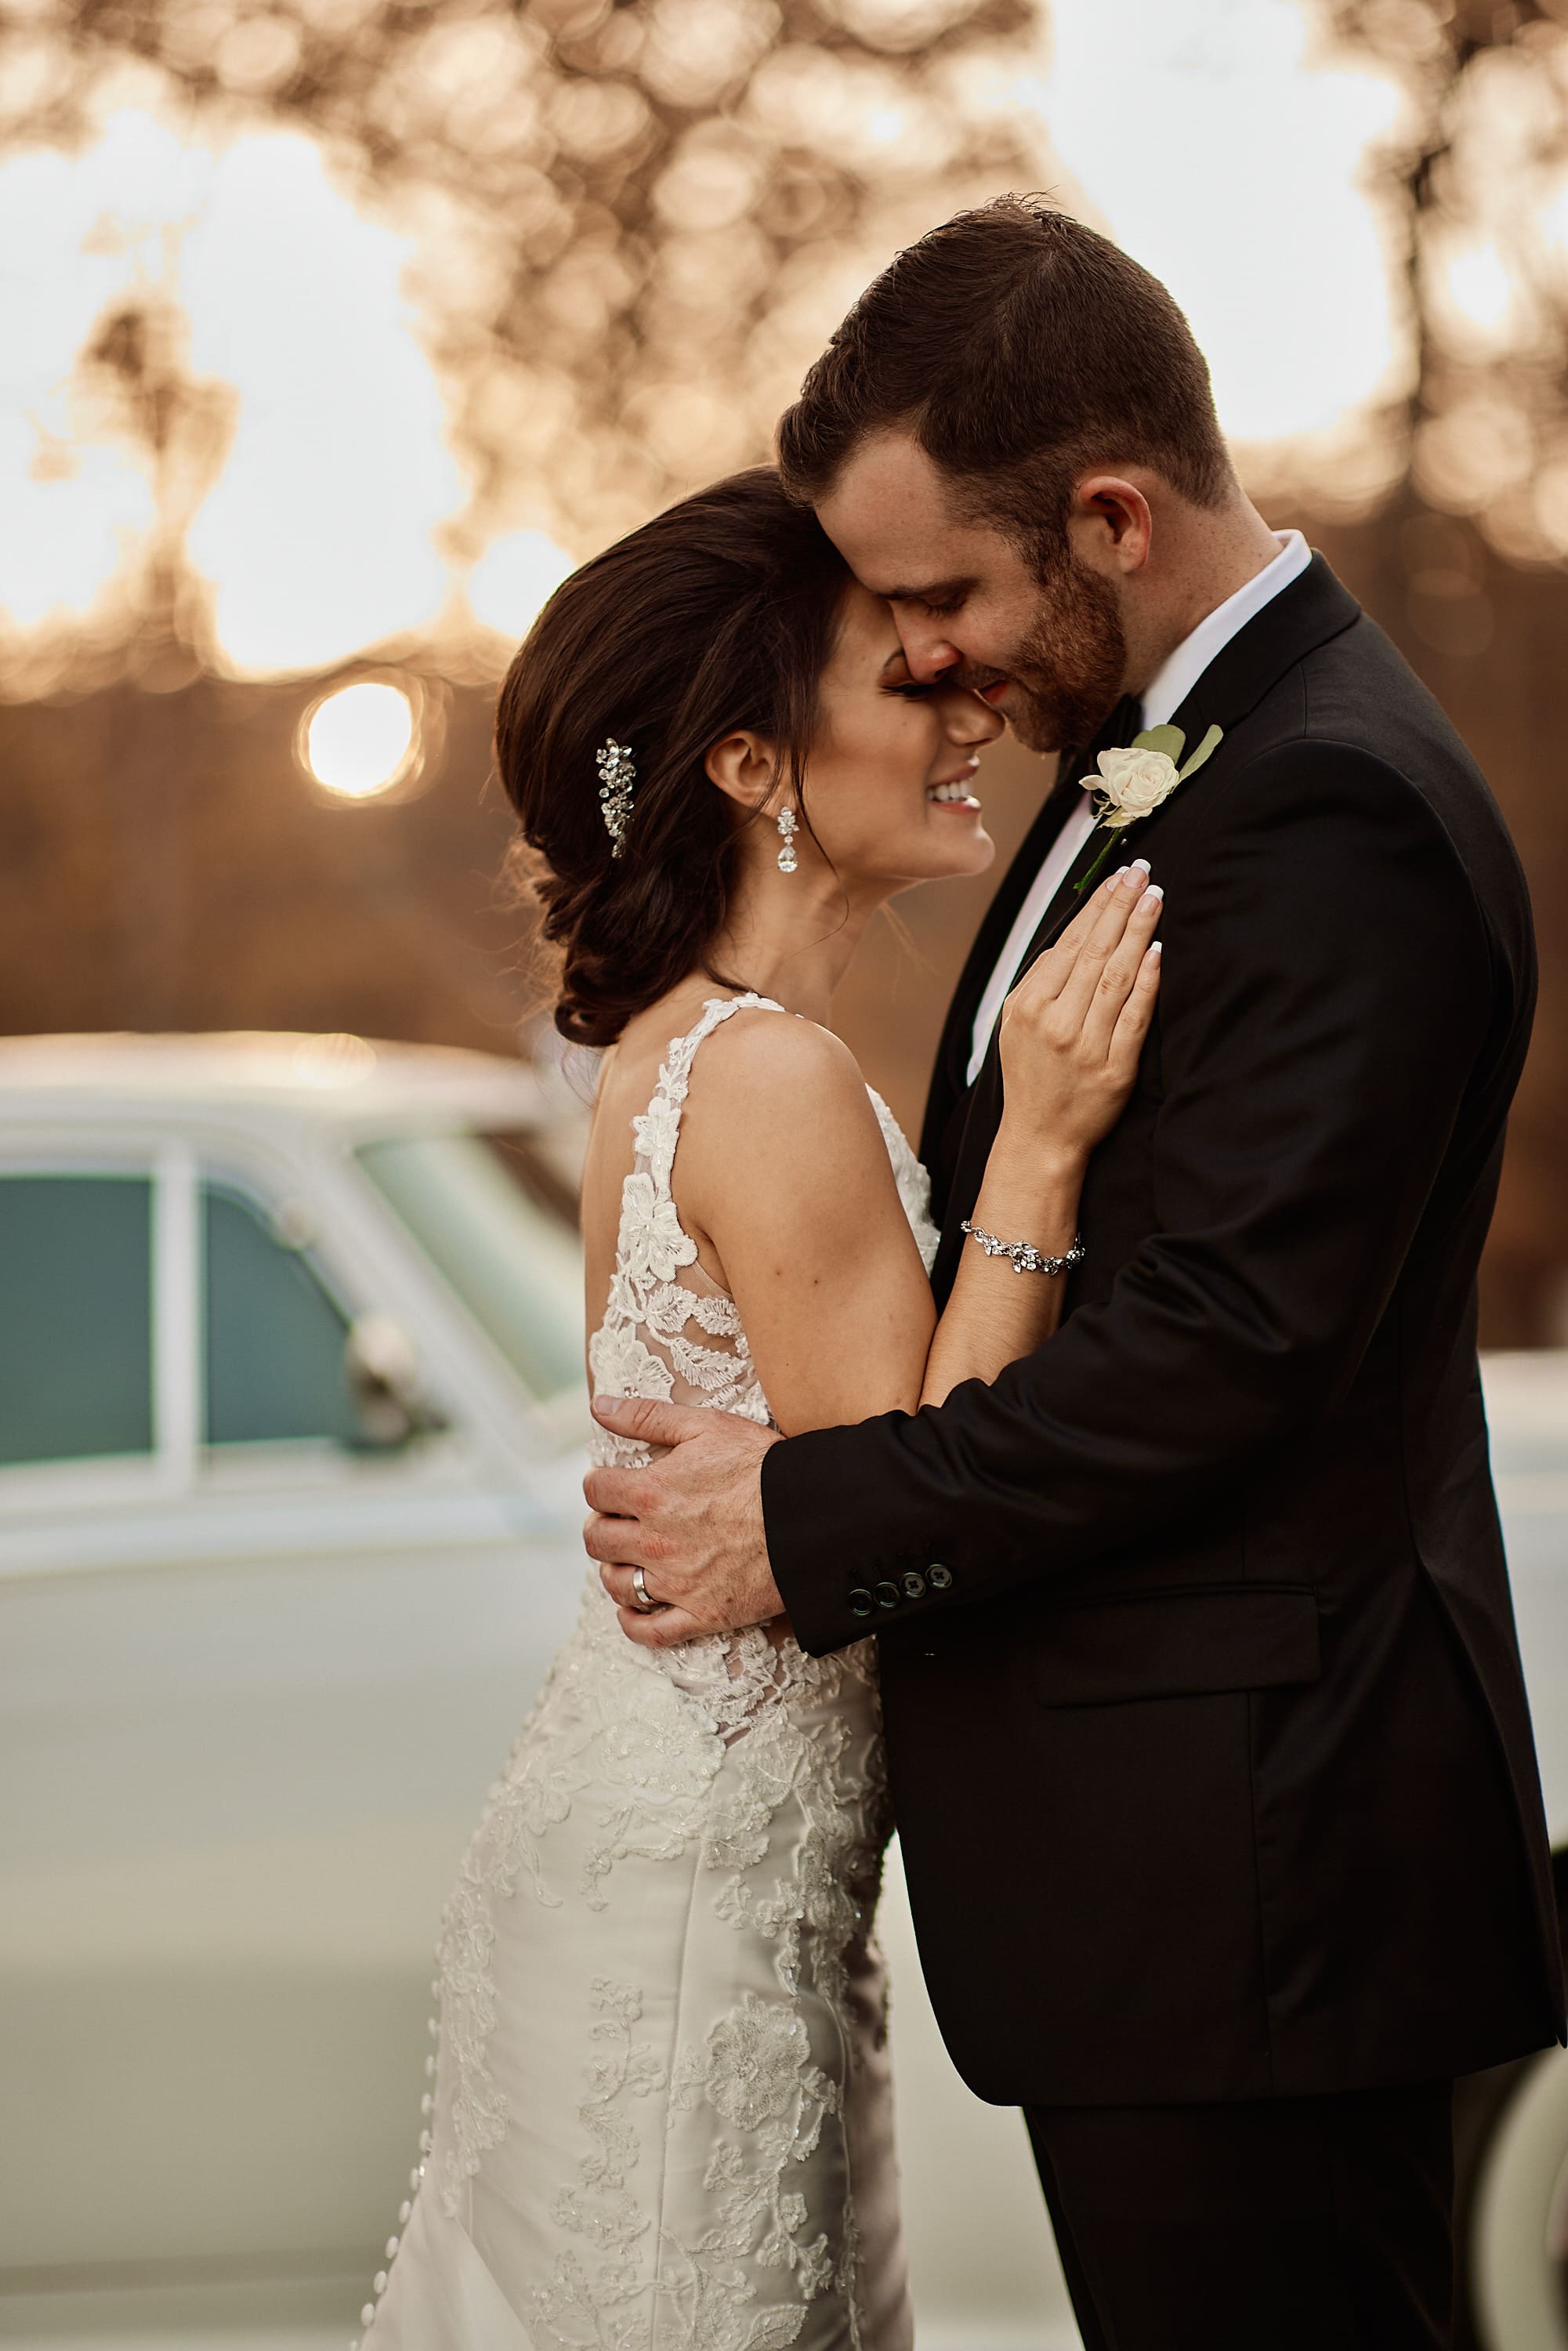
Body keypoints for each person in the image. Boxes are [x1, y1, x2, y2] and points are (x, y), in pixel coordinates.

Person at [585, 198, 1566, 2350]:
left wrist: (797, 1520)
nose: (924, 657)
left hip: (1265, 1887)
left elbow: (1221, 1354)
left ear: (1109, 516)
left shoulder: (1330, 812)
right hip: (1176, 1889)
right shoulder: (1147, 771)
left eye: (940, 594)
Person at [355, 465, 1168, 2348]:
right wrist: (1040, 1151)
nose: (967, 708)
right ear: (743, 763)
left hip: (694, 1868)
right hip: (694, 1910)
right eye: (905, 682)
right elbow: (921, 1512)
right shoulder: (767, 1076)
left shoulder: (694, 1058)